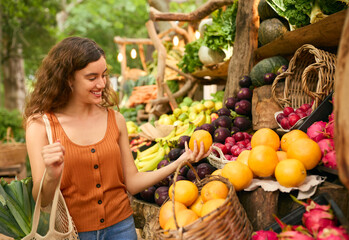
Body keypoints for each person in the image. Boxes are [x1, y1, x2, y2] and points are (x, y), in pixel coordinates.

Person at [24, 36, 211, 240]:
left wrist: (180, 161)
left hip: (122, 229)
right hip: (75, 234)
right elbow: (42, 201)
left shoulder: (115, 119)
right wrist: (51, 175)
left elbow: (133, 182)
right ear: (68, 78)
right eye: (92, 77)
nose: (102, 84)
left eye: (104, 75)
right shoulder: (41, 126)